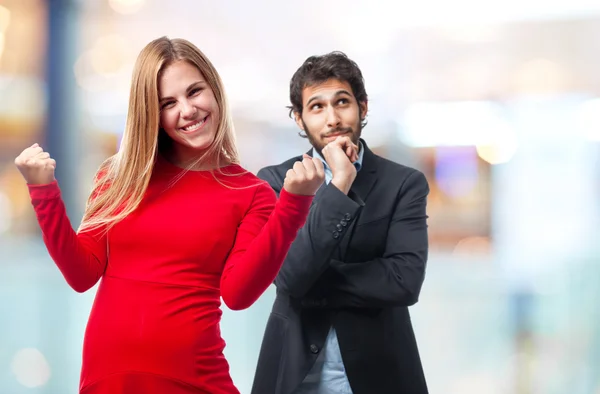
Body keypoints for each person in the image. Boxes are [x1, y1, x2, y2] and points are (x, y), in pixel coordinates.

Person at [14, 37, 325, 394]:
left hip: (193, 379)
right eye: (168, 103)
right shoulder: (119, 177)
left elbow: (238, 294)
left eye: (195, 92)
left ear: (215, 90)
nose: (188, 110)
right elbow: (81, 273)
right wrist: (43, 191)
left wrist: (294, 205)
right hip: (110, 379)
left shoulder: (250, 193)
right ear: (153, 114)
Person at [251, 51, 430, 394]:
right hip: (294, 373)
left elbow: (403, 282)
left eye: (342, 102)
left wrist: (308, 280)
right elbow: (288, 276)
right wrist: (340, 183)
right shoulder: (276, 182)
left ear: (363, 107)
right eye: (317, 107)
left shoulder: (404, 184)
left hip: (380, 373)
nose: (332, 119)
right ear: (300, 120)